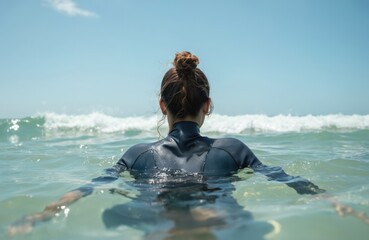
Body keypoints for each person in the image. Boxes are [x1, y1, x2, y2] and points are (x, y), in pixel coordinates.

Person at [8, 51, 324, 237]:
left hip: (156, 221)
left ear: (162, 106)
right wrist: (334, 201)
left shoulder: (138, 155)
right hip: (220, 223)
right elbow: (286, 179)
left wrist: (44, 212)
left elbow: (90, 187)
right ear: (208, 105)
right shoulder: (233, 150)